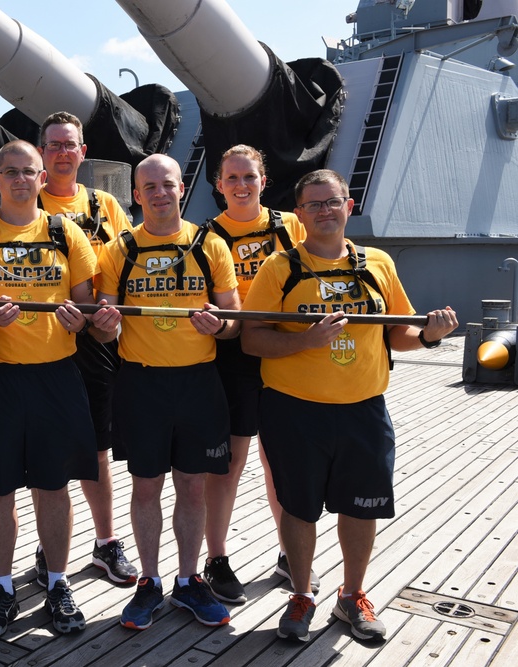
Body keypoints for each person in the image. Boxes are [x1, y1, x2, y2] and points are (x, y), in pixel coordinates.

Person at [241, 169, 458, 642]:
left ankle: (352, 596)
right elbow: (253, 340)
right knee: (299, 508)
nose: (324, 211)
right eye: (313, 204)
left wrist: (428, 336)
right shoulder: (278, 269)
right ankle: (301, 595)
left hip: (363, 408)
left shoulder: (377, 262)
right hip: (294, 410)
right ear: (299, 214)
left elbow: (397, 333)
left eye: (331, 201)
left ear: (349, 205)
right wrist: (306, 340)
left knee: (362, 508)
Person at [0, 140, 99, 637]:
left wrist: (79, 322)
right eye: (9, 172)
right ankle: (3, 587)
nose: (19, 180)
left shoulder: (64, 230)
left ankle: (56, 582)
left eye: (28, 172)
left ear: (42, 177)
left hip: (55, 373)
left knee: (54, 486)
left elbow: (86, 307)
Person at [92, 154, 239, 631]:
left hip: (198, 382)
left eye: (167, 184)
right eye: (149, 186)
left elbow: (234, 320)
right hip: (142, 383)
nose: (159, 193)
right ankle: (150, 581)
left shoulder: (209, 244)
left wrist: (221, 326)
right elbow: (104, 326)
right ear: (136, 195)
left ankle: (188, 580)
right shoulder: (119, 250)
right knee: (146, 486)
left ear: (182, 189)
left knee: (193, 486)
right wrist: (105, 326)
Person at [33, 111, 138, 587]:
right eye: (52, 144)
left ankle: (105, 542)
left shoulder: (105, 206)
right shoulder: (25, 201)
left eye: (68, 144)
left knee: (97, 446)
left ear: (82, 152)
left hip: (93, 337)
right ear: (40, 152)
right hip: (38, 339)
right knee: (48, 448)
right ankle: (47, 547)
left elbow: (124, 265)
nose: (61, 152)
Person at [201, 145, 309, 603]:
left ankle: (289, 555)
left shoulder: (290, 226)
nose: (241, 185)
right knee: (231, 461)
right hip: (234, 356)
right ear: (219, 185)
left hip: (285, 349)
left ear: (263, 181)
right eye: (232, 178)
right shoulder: (205, 236)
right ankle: (217, 559)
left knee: (279, 460)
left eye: (250, 177)